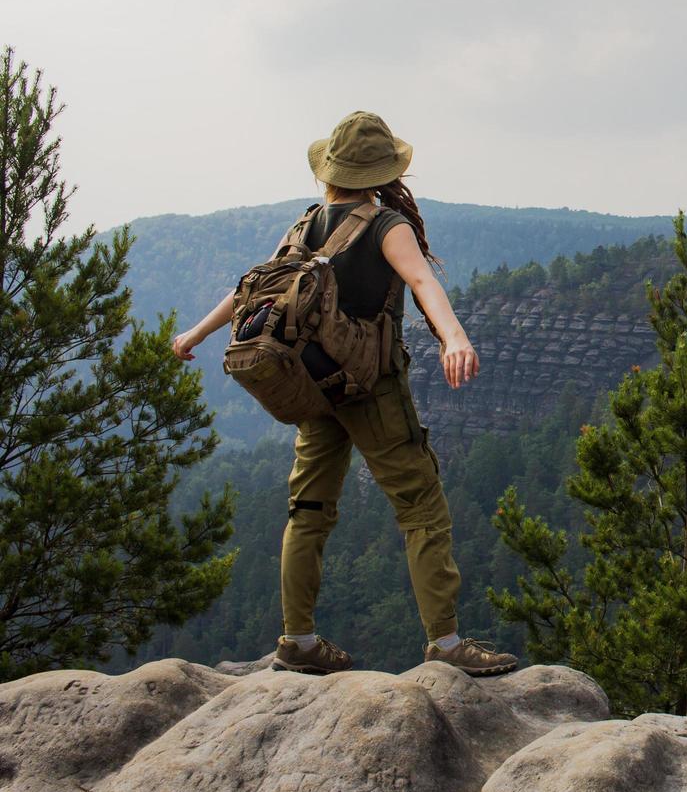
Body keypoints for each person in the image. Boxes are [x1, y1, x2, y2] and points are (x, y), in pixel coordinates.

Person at [171, 111, 518, 677]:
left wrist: (196, 333)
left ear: (329, 171)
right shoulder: (387, 226)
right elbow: (423, 282)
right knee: (421, 507)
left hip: (313, 386)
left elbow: (252, 291)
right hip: (370, 388)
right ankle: (447, 645)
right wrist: (454, 337)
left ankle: (299, 640)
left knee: (308, 509)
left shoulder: (303, 226)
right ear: (380, 172)